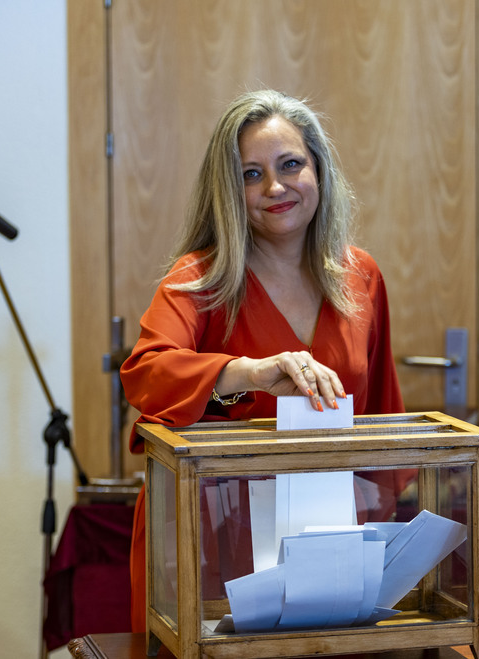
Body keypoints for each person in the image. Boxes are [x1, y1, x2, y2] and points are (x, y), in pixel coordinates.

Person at [120, 89, 405, 632]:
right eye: (250, 174)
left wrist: (375, 538)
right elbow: (146, 372)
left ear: (318, 171)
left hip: (326, 531)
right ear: (228, 191)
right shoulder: (199, 278)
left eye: (290, 164)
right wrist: (247, 372)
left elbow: (383, 412)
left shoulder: (361, 276)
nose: (275, 187)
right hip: (211, 536)